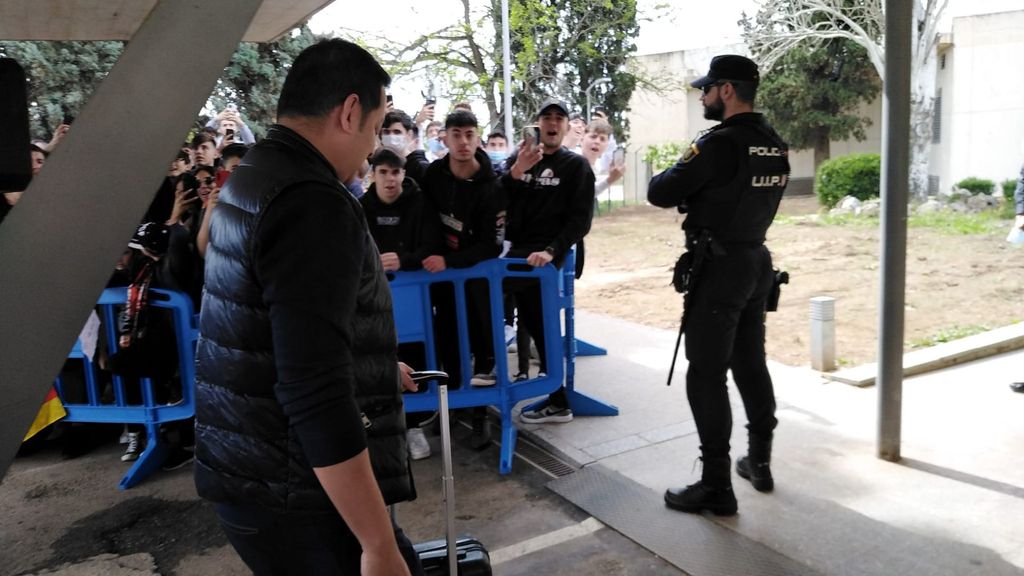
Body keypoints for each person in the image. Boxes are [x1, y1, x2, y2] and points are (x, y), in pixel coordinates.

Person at [194, 39, 422, 576]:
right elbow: (312, 388)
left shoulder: (256, 174)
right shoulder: (312, 201)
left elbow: (272, 322)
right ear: (348, 111)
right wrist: (377, 543)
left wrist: (362, 364)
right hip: (295, 487)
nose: (372, 148)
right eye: (374, 127)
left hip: (255, 469)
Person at [647, 54, 791, 516]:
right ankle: (760, 462)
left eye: (708, 89)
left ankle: (716, 486)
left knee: (706, 373)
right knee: (750, 361)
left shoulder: (718, 144)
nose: (704, 96)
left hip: (721, 268)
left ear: (727, 91)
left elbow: (659, 190)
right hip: (756, 261)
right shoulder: (773, 142)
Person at [503, 98, 595, 424]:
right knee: (530, 319)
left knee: (541, 323)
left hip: (545, 257)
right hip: (514, 253)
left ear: (567, 126)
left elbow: (580, 220)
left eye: (559, 117)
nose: (553, 123)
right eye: (547, 117)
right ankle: (493, 361)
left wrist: (552, 251)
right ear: (538, 123)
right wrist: (516, 172)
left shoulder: (576, 166)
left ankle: (557, 398)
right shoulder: (523, 159)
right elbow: (497, 199)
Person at [420, 110, 505, 389]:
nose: (463, 142)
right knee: (448, 336)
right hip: (440, 274)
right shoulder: (433, 175)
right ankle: (453, 399)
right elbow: (425, 219)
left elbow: (491, 245)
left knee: (482, 336)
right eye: (456, 135)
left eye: (469, 135)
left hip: (476, 274)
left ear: (478, 138)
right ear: (445, 139)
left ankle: (482, 396)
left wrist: (450, 260)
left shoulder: (492, 186)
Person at [381, 110, 430, 185]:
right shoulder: (381, 165)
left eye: (397, 132)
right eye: (386, 132)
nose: (391, 136)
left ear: (409, 135)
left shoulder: (421, 167)